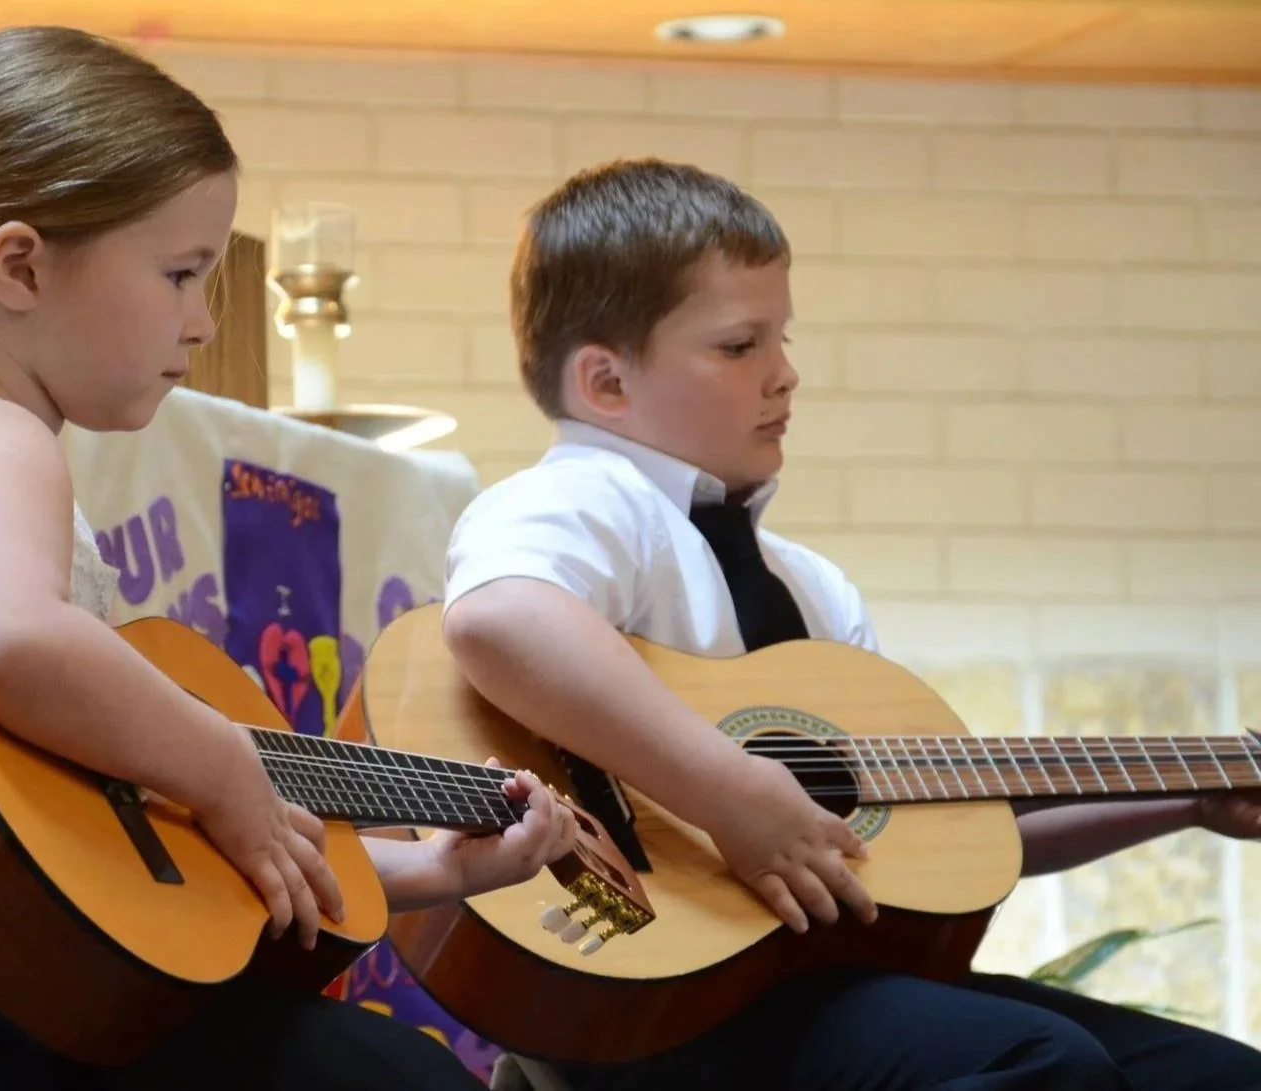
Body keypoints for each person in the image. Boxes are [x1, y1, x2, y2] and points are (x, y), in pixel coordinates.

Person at [0, 25, 578, 1091]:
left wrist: (424, 865)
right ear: (20, 265)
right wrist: (221, 765)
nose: (203, 321)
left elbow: (101, 845)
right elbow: (6, 635)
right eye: (180, 273)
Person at [440, 156, 1261, 1090]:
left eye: (782, 340)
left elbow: (927, 845)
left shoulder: (810, 585)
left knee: (1217, 1075)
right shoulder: (586, 499)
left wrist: (1188, 797)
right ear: (606, 382)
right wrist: (727, 793)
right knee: (1042, 1066)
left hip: (809, 984)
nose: (785, 375)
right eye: (740, 345)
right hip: (656, 1001)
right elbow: (502, 618)